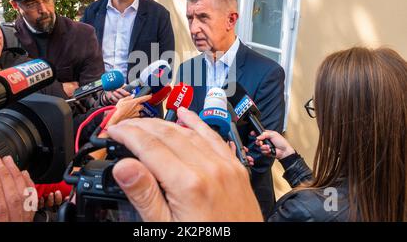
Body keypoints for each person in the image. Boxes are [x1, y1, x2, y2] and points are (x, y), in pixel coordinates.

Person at [106, 46, 406, 222]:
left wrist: (228, 175)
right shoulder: (387, 188)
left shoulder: (302, 211)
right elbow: (338, 196)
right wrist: (291, 160)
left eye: (318, 108)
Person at [176, 0, 285, 219]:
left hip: (247, 200)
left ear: (231, 20)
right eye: (190, 18)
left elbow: (264, 150)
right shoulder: (186, 70)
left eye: (203, 17)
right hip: (194, 198)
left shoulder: (267, 72)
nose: (194, 28)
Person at [81, 0, 175, 104]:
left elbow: (166, 66)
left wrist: (137, 91)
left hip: (141, 106)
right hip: (98, 103)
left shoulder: (159, 15)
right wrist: (102, 93)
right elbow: (81, 61)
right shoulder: (92, 12)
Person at [6, 0, 104, 98]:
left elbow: (94, 92)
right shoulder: (7, 39)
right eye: (31, 3)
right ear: (14, 5)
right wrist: (60, 90)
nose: (43, 9)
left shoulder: (83, 35)